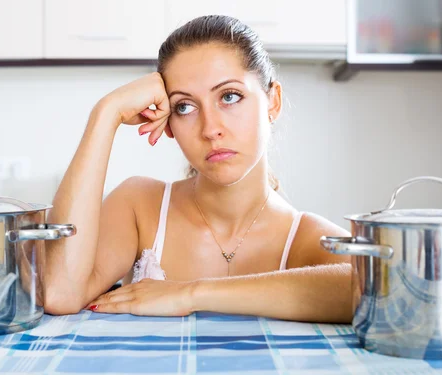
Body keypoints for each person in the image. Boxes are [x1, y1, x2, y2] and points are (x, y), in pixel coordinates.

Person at [44, 15, 352, 323]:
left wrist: (189, 293)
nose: (210, 129)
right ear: (167, 125)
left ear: (273, 102)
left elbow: (380, 288)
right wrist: (105, 114)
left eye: (230, 97)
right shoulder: (139, 206)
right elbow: (61, 292)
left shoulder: (301, 235)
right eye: (185, 107)